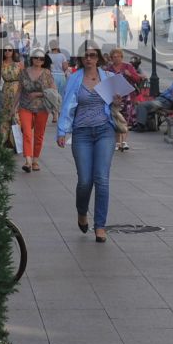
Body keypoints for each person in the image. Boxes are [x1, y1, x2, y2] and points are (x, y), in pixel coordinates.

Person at [55, 46, 133, 242]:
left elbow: (116, 105)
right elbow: (66, 105)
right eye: (85, 56)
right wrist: (62, 130)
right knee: (84, 181)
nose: (89, 59)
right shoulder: (74, 78)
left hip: (104, 132)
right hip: (81, 134)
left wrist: (116, 101)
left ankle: (100, 225)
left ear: (98, 58)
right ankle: (82, 212)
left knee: (102, 179)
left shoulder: (107, 77)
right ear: (81, 59)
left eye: (92, 55)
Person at [16, 52, 58, 173]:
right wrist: (13, 107)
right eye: (36, 57)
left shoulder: (47, 73)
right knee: (27, 133)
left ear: (44, 61)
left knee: (39, 135)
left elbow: (53, 91)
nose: (38, 60)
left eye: (41, 58)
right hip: (25, 106)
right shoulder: (24, 72)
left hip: (42, 108)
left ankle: (35, 160)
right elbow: (19, 91)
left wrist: (38, 94)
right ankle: (28, 161)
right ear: (32, 58)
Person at [135, 64, 173, 130]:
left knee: (142, 105)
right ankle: (144, 125)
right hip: (160, 100)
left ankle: (140, 126)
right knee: (139, 103)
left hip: (165, 102)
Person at [0, 47, 23, 148]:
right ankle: (3, 140)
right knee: (5, 115)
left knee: (16, 115)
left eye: (10, 50)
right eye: (5, 50)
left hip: (17, 90)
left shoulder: (19, 64)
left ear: (13, 52)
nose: (7, 52)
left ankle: (15, 142)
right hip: (6, 89)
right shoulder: (1, 63)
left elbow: (24, 79)